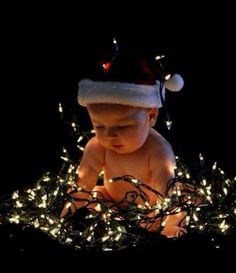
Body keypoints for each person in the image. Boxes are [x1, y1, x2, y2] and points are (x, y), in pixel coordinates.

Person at [61, 42, 186, 238]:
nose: (110, 135)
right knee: (96, 194)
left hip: (150, 206)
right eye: (99, 126)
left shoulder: (157, 150)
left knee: (158, 216)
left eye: (123, 126)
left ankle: (140, 226)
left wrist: (171, 223)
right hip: (112, 200)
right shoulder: (97, 146)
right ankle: (110, 222)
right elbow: (83, 182)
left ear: (151, 116)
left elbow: (169, 193)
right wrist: (74, 206)